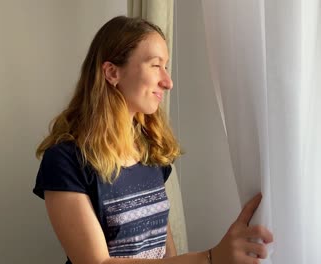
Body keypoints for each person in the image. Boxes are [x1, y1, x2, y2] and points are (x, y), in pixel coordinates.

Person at [32, 16, 273, 264]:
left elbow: (164, 252)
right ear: (112, 72)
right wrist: (210, 258)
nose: (167, 82)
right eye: (155, 65)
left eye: (166, 67)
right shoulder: (65, 161)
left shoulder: (151, 150)